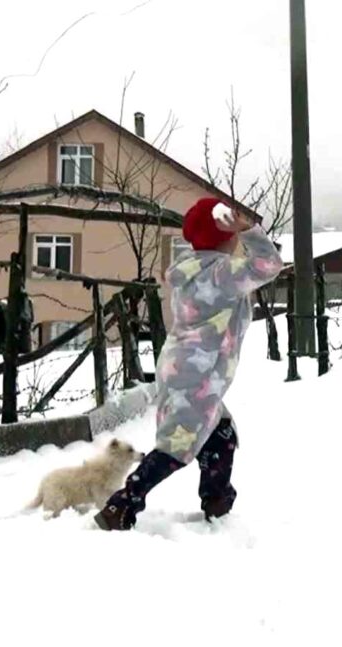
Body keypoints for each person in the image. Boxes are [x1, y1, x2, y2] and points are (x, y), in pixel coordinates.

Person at [95, 197, 283, 531]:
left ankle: (217, 498)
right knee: (175, 446)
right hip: (198, 373)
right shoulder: (220, 273)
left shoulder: (191, 268)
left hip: (184, 366)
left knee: (220, 432)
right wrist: (250, 230)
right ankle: (122, 505)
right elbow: (268, 264)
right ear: (223, 234)